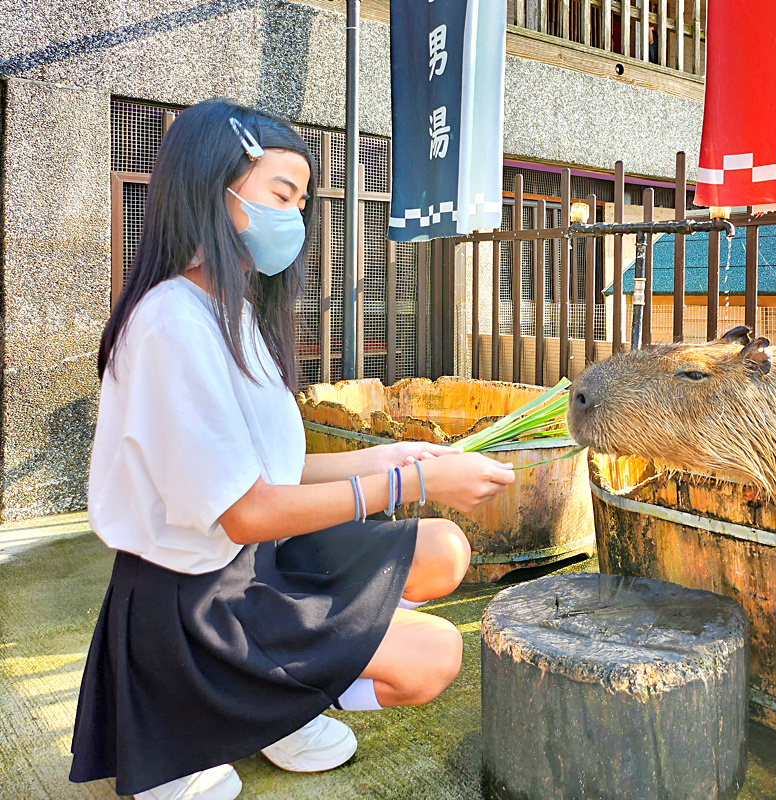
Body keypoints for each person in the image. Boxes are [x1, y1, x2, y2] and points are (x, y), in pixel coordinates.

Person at [68, 98, 516, 800]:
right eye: (282, 195)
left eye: (302, 201)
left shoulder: (233, 310)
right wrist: (406, 489)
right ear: (214, 191)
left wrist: (392, 460)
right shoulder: (172, 325)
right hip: (196, 601)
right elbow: (244, 511)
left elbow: (269, 467)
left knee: (444, 551)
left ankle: (277, 703)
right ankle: (214, 717)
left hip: (256, 565)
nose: (295, 219)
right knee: (437, 655)